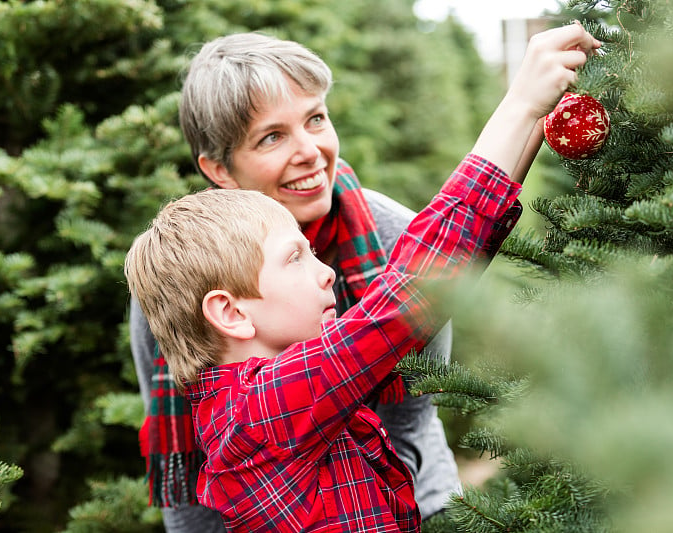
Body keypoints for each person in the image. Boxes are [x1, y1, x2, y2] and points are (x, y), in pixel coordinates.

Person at [129, 24, 596, 531]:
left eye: (316, 118)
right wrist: (520, 103)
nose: (326, 272)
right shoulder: (264, 406)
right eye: (271, 137)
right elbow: (408, 296)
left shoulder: (385, 234)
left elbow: (440, 278)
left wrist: (535, 118)